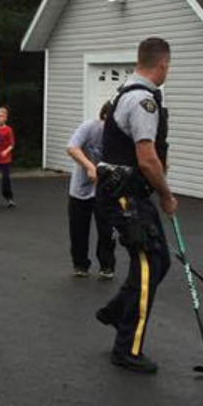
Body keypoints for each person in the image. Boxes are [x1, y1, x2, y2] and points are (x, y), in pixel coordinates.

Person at [94, 37, 177, 374]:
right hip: (125, 192)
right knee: (147, 266)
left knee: (160, 262)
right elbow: (147, 158)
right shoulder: (143, 100)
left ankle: (116, 311)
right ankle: (127, 348)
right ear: (163, 64)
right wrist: (167, 195)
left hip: (128, 192)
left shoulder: (124, 90)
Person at [66, 103, 116, 279]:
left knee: (106, 229)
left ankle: (107, 265)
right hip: (81, 188)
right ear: (104, 117)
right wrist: (89, 166)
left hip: (106, 190)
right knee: (78, 229)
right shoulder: (89, 127)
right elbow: (72, 147)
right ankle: (80, 264)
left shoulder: (119, 136)